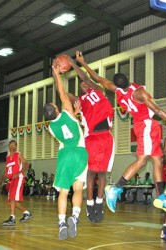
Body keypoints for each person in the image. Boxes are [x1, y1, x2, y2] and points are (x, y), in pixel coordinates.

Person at [75, 50, 166, 213]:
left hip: (142, 125)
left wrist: (83, 63)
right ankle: (116, 188)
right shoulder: (139, 93)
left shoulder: (116, 90)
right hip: (146, 125)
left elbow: (98, 78)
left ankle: (160, 196)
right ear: (128, 80)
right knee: (142, 160)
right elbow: (157, 111)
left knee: (158, 160)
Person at [43, 58, 88, 240]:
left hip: (64, 155)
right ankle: (74, 218)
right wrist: (55, 72)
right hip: (79, 153)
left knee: (63, 192)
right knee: (78, 189)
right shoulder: (68, 110)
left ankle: (61, 222)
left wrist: (74, 115)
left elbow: (65, 126)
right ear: (56, 108)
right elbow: (61, 90)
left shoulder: (50, 127)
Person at [67, 53, 115, 223]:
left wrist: (73, 64)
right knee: (91, 172)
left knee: (102, 173)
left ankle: (99, 203)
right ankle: (89, 203)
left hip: (107, 137)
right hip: (92, 137)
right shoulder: (80, 100)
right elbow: (65, 96)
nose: (83, 83)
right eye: (81, 84)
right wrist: (57, 74)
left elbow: (84, 76)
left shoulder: (99, 90)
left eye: (85, 82)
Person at [0, 139, 33, 226]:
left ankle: (12, 218)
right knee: (11, 201)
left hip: (18, 178)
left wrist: (19, 173)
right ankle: (26, 213)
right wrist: (0, 179)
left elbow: (27, 164)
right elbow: (6, 171)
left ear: (16, 147)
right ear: (9, 146)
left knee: (12, 198)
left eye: (14, 145)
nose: (12, 146)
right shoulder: (8, 158)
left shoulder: (18, 154)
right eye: (10, 145)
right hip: (11, 180)